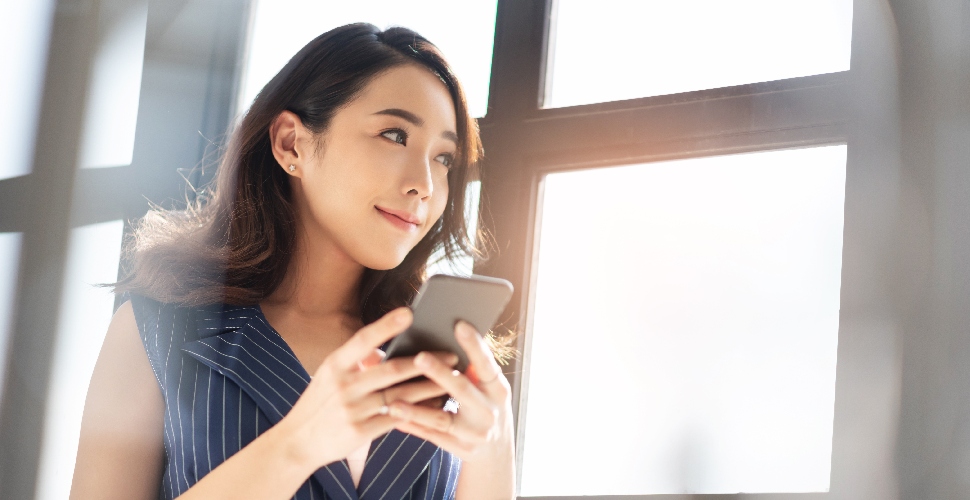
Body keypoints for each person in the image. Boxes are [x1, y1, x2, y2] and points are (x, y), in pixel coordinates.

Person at [70, 23, 515, 499]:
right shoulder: (155, 332)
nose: (424, 184)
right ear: (290, 144)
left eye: (444, 158)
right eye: (393, 134)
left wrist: (491, 445)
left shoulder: (448, 369)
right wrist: (299, 444)